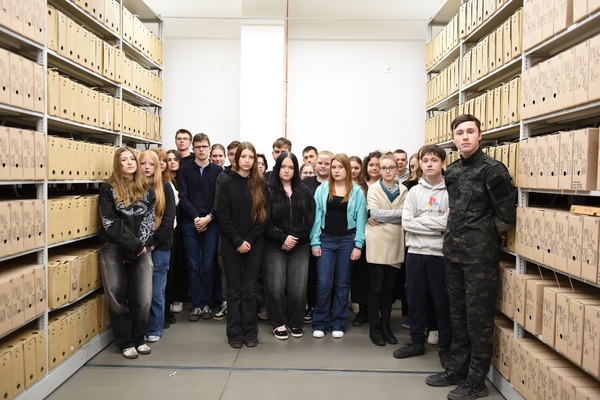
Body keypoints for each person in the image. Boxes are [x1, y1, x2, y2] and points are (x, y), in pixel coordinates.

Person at [425, 115, 515, 400]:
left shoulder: (493, 170)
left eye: (470, 132)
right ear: (453, 138)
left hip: (479, 258)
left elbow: (506, 216)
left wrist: (483, 235)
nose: (465, 137)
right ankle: (457, 368)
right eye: (460, 132)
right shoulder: (451, 171)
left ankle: (477, 381)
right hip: (453, 253)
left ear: (479, 135)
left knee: (478, 320)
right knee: (458, 315)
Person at [392, 145, 451, 365]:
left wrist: (422, 221)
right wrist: (436, 224)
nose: (429, 164)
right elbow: (407, 223)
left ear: (443, 163)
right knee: (415, 301)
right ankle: (417, 342)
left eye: (434, 160)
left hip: (439, 254)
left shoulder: (450, 191)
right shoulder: (414, 192)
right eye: (425, 160)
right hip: (416, 253)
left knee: (441, 302)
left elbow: (449, 224)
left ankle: (445, 347)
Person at [98, 146, 155, 359]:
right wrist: (133, 245)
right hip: (114, 248)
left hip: (141, 248)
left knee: (143, 297)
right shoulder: (108, 189)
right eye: (124, 160)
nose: (130, 162)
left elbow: (149, 219)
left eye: (132, 158)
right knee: (116, 295)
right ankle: (125, 342)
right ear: (117, 164)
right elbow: (110, 223)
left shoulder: (147, 188)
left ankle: (139, 338)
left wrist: (140, 245)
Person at [214, 142, 269, 348]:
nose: (247, 160)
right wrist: (238, 240)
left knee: (250, 288)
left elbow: (265, 215)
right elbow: (222, 213)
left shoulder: (260, 183)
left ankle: (250, 332)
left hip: (254, 242)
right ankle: (235, 333)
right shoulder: (226, 180)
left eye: (250, 157)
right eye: (243, 156)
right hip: (231, 242)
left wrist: (249, 240)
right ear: (236, 158)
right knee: (234, 288)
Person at [310, 153, 367, 339]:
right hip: (325, 240)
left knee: (342, 284)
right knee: (324, 283)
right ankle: (320, 322)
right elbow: (316, 217)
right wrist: (315, 241)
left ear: (347, 169)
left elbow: (361, 220)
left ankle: (338, 322)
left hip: (347, 241)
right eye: (333, 167)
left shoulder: (357, 191)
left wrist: (358, 245)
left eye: (340, 167)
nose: (336, 170)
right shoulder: (321, 189)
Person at [264, 152, 315, 339]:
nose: (287, 171)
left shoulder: (304, 190)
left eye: (291, 167)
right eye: (283, 167)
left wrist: (293, 237)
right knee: (275, 285)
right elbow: (263, 219)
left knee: (298, 287)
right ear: (277, 168)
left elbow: (310, 217)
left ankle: (296, 322)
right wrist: (282, 237)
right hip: (274, 244)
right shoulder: (267, 189)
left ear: (296, 169)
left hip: (299, 244)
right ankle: (278, 322)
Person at [178, 133, 223, 321]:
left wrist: (208, 218)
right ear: (193, 148)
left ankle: (206, 304)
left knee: (208, 265)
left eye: (204, 146)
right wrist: (197, 218)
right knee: (193, 265)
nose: (201, 150)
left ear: (209, 148)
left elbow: (220, 199)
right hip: (190, 223)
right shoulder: (185, 170)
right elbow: (182, 197)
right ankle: (196, 305)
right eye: (198, 147)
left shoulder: (218, 171)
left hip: (211, 223)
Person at [364, 153, 407, 346]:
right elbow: (373, 212)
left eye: (391, 167)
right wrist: (395, 215)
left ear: (397, 169)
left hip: (395, 242)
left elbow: (406, 214)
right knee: (376, 286)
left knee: (389, 288)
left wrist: (382, 217)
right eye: (384, 168)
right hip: (376, 241)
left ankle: (386, 326)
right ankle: (374, 327)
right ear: (379, 170)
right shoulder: (373, 189)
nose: (387, 171)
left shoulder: (404, 190)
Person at [139, 150, 176, 343]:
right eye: (143, 163)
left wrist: (152, 243)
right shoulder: (134, 187)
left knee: (156, 291)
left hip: (160, 247)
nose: (147, 167)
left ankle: (154, 328)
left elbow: (168, 219)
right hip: (139, 247)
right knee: (140, 292)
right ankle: (140, 329)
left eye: (151, 164)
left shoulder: (165, 187)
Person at [302, 150, 333, 323]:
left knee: (328, 277)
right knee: (311, 274)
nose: (323, 166)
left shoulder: (337, 184)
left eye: (327, 163)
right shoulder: (306, 183)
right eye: (320, 163)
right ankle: (312, 305)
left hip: (329, 236)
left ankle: (329, 307)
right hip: (308, 236)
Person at [151, 148, 180, 329]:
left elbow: (169, 216)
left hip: (166, 237)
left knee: (163, 279)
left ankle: (162, 317)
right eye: (159, 160)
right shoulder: (146, 184)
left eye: (164, 161)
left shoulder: (168, 183)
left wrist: (156, 241)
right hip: (151, 239)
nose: (162, 164)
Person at [164, 149, 186, 324]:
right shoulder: (163, 182)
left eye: (174, 159)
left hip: (181, 227)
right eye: (168, 159)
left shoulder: (181, 180)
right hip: (168, 231)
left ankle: (177, 299)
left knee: (179, 265)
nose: (171, 162)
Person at [348, 155, 368, 326]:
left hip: (363, 236)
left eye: (356, 167)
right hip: (346, 234)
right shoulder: (340, 185)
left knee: (361, 275)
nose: (353, 170)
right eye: (351, 167)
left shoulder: (364, 187)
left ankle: (360, 305)